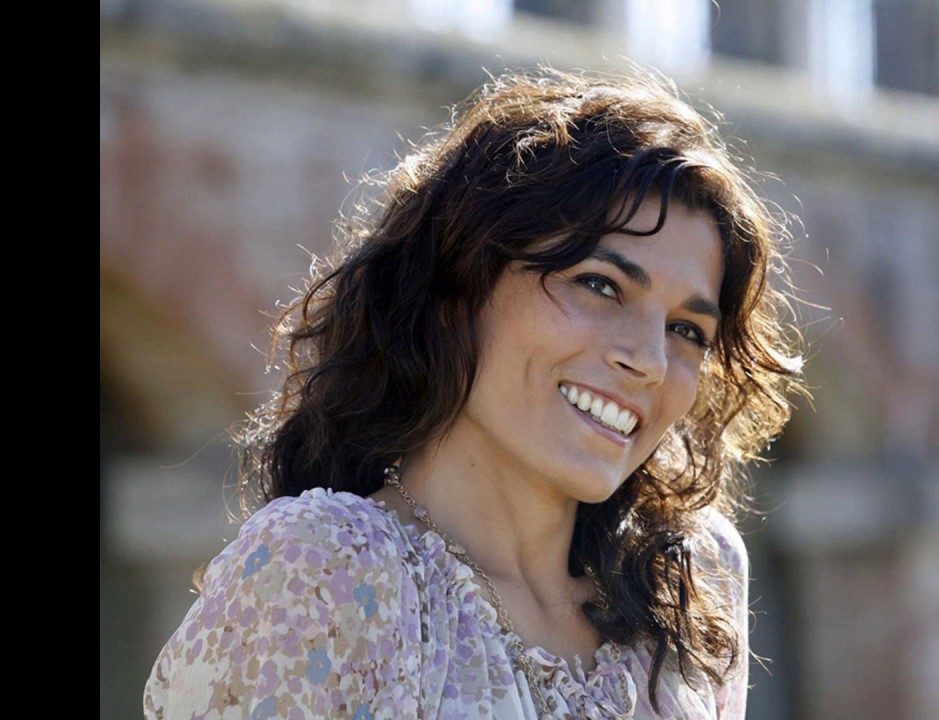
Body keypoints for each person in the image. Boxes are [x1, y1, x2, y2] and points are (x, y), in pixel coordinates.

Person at [144, 65, 806, 719]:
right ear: (456, 289)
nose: (651, 362)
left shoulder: (690, 583)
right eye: (600, 285)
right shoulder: (319, 574)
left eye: (687, 330)